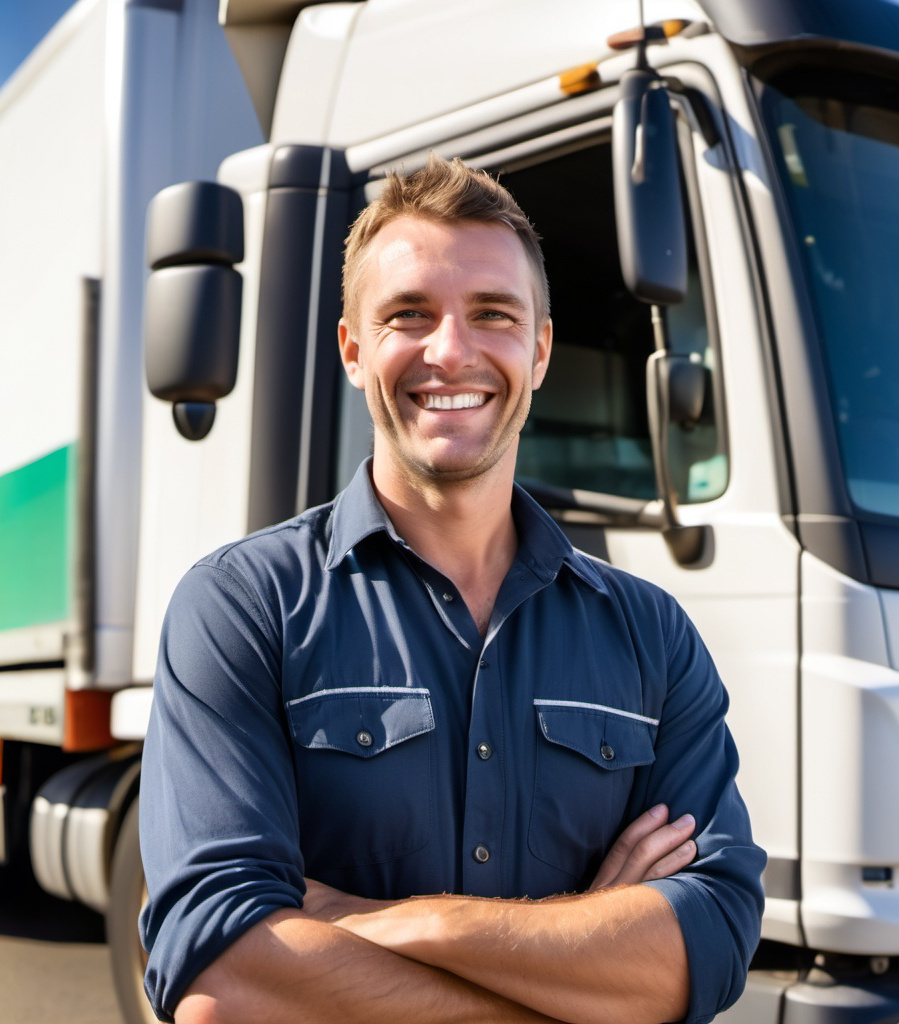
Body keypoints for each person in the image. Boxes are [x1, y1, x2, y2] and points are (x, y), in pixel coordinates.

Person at [138, 155, 765, 1024]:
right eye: (409, 315)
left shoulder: (650, 633)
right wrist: (585, 946)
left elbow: (714, 939)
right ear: (354, 349)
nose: (451, 351)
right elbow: (223, 978)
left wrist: (364, 920)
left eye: (493, 315)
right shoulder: (243, 607)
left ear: (539, 350)